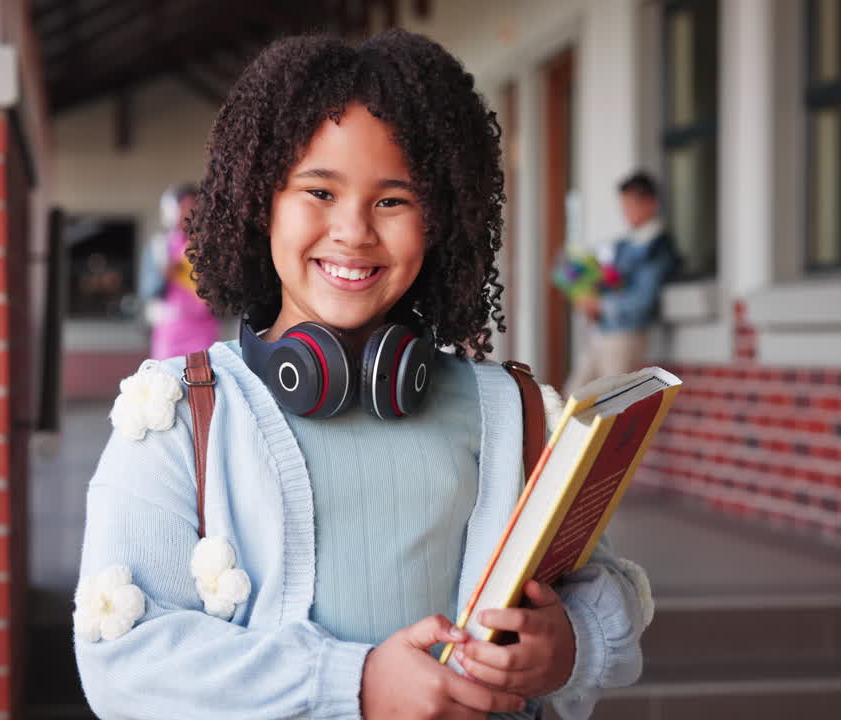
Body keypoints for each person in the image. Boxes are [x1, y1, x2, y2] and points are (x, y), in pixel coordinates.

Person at [75, 30, 652, 720]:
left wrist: (571, 644)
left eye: (393, 200)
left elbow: (598, 582)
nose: (353, 231)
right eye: (319, 191)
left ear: (440, 220)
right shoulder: (176, 414)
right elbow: (123, 663)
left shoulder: (509, 410)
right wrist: (354, 683)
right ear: (261, 202)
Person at [565, 171, 680, 396]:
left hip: (625, 335)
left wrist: (601, 305)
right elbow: (612, 281)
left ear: (650, 203)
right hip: (602, 331)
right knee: (573, 397)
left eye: (631, 206)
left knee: (610, 404)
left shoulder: (657, 248)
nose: (626, 214)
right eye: (624, 207)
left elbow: (642, 300)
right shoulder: (625, 244)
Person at [144, 182, 220, 359]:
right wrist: (164, 271)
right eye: (183, 206)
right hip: (171, 328)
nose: (189, 212)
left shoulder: (208, 244)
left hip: (203, 327)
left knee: (204, 377)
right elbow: (148, 290)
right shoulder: (160, 246)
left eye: (194, 206)